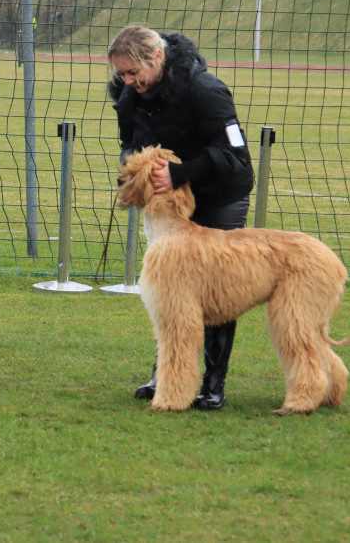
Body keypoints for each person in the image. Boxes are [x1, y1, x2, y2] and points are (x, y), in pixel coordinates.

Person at [107, 25, 254, 410]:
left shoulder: (206, 91)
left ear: (156, 57)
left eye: (133, 72)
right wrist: (133, 167)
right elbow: (130, 144)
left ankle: (212, 383)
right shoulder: (130, 94)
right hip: (170, 202)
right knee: (171, 291)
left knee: (215, 289)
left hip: (219, 194)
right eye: (121, 74)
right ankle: (166, 377)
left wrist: (178, 173)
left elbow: (235, 157)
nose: (127, 81)